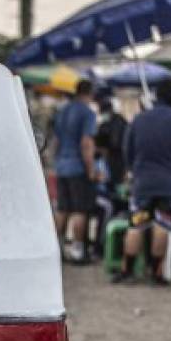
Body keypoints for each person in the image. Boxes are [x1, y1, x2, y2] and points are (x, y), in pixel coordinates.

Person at [115, 78, 171, 285]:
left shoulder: (140, 119)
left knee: (136, 224)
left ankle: (127, 270)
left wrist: (134, 170)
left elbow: (127, 151)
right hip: (170, 184)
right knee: (162, 224)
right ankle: (156, 272)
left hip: (142, 183)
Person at [52, 79, 99, 264]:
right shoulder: (87, 113)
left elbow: (55, 141)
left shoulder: (63, 111)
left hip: (61, 166)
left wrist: (56, 162)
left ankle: (57, 248)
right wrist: (91, 170)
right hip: (78, 167)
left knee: (62, 209)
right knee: (80, 210)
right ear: (90, 93)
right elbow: (86, 143)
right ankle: (78, 250)